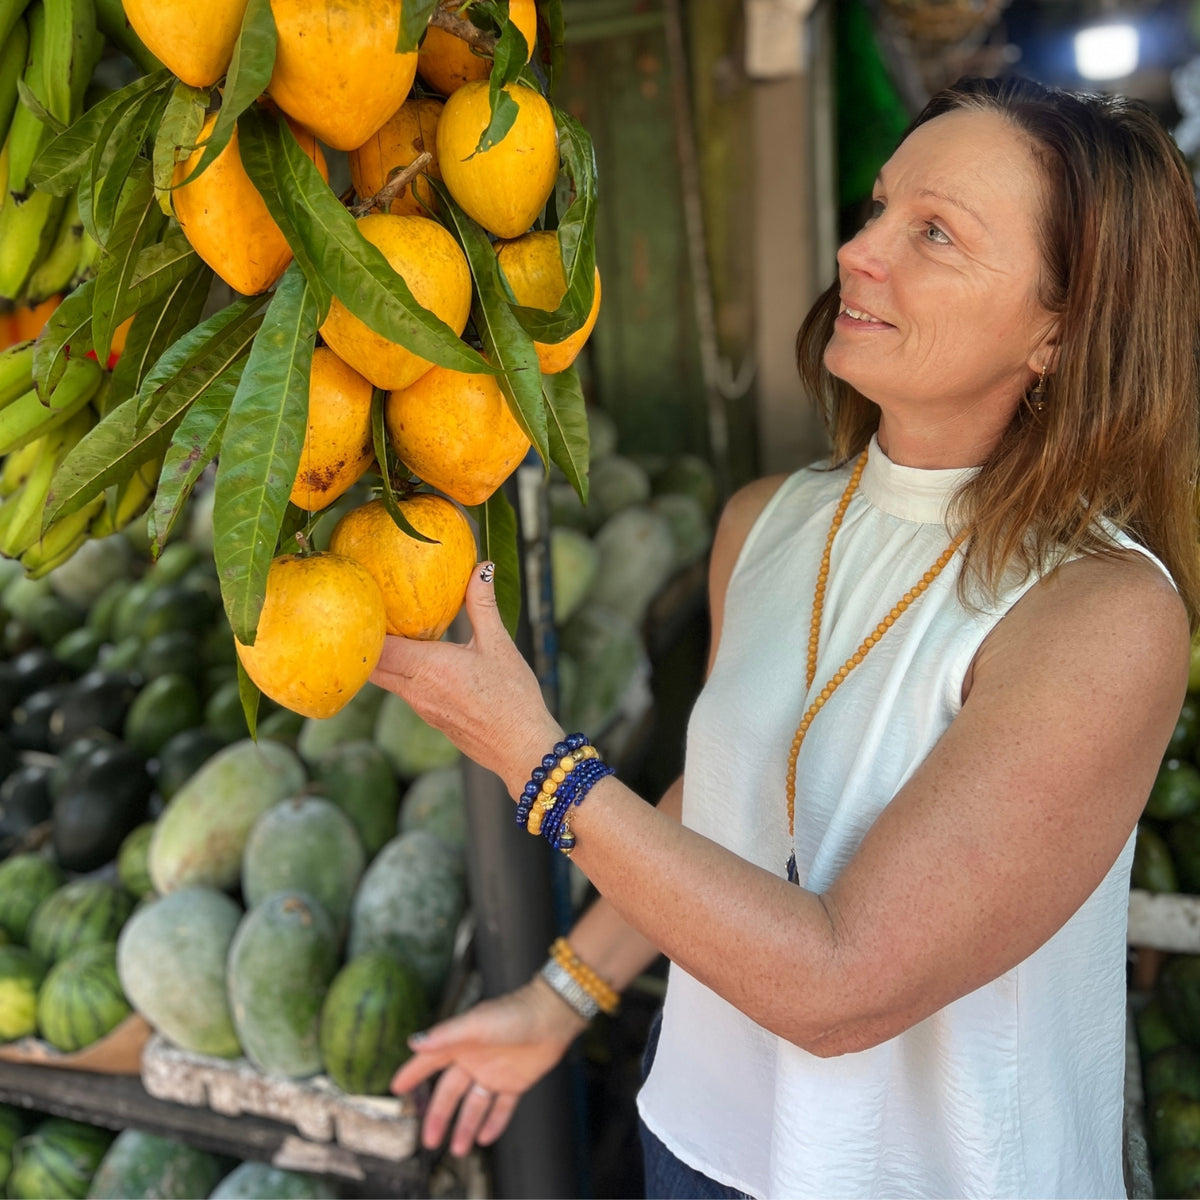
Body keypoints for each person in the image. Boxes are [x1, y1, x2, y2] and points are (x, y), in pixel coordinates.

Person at [372, 74, 1200, 1199]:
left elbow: (841, 987)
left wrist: (539, 760)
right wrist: (557, 999)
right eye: (877, 211)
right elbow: (725, 809)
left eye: (935, 234)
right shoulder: (766, 521)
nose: (859, 252)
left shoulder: (1102, 614)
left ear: (1060, 330)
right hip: (703, 1145)